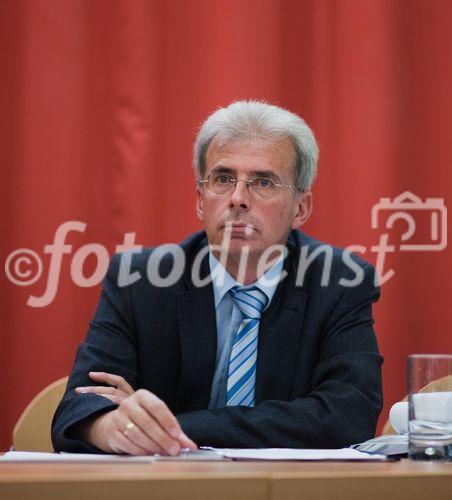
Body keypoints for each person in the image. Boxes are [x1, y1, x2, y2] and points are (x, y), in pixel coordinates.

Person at [52, 100, 383, 455]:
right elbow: (80, 406)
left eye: (264, 182)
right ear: (200, 200)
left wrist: (169, 426)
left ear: (300, 208)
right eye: (223, 179)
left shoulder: (340, 282)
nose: (238, 199)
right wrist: (110, 426)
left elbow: (347, 417)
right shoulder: (140, 280)